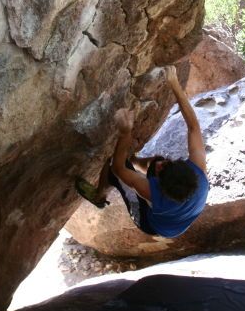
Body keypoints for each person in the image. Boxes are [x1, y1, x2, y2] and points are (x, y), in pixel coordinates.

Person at [75, 66, 209, 238]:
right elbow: (193, 127)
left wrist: (125, 133)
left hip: (152, 224)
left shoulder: (153, 194)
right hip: (178, 215)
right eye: (168, 164)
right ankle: (135, 161)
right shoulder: (199, 173)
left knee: (112, 164)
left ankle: (99, 196)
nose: (161, 165)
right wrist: (174, 84)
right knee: (155, 160)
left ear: (160, 188)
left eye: (161, 171)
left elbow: (118, 168)